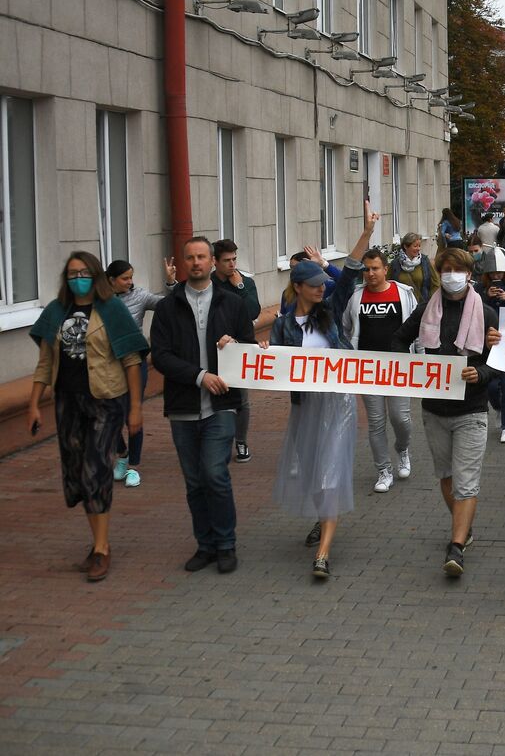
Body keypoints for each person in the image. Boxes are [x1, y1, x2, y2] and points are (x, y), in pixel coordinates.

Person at [267, 203, 376, 579]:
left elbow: (348, 276)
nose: (320, 289)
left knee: (330, 471)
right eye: (313, 285)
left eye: (321, 284)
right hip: (306, 406)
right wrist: (250, 352)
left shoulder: (331, 306)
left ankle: (323, 553)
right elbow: (274, 364)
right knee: (314, 470)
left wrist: (366, 233)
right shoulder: (282, 325)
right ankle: (321, 517)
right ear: (297, 287)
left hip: (338, 404)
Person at [27, 251, 148, 583]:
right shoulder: (56, 311)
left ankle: (101, 548)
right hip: (68, 402)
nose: (76, 278)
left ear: (95, 275)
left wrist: (135, 408)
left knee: (97, 470)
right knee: (78, 473)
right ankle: (98, 541)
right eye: (71, 273)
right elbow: (45, 364)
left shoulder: (112, 310)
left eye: (83, 272)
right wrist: (34, 404)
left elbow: (132, 361)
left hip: (105, 402)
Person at [150, 237, 255, 575]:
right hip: (183, 406)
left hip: (221, 405)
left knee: (215, 474)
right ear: (184, 263)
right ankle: (205, 545)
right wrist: (199, 376)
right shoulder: (168, 306)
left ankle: (226, 545)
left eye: (201, 257)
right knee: (194, 481)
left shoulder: (231, 303)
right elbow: (161, 356)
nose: (196, 263)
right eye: (190, 257)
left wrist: (235, 345)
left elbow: (249, 348)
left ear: (212, 261)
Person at [394, 247, 497, 579]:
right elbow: (399, 341)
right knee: (447, 477)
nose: (452, 274)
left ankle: (456, 547)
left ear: (469, 274)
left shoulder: (488, 313)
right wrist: (414, 368)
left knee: (466, 483)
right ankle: (464, 527)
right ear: (440, 272)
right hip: (434, 410)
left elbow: (501, 362)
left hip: (472, 409)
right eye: (446, 268)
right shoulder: (427, 310)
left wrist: (480, 373)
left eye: (458, 268)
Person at [342, 247, 417, 493]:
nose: (370, 273)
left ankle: (402, 448)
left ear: (386, 269)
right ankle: (383, 470)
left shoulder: (404, 294)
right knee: (376, 423)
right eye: (366, 269)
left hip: (398, 367)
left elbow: (418, 328)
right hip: (368, 368)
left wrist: (421, 359)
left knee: (401, 419)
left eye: (375, 268)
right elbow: (346, 328)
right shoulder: (356, 297)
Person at [105, 256, 177, 487]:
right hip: (108, 365)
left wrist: (170, 282)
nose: (129, 282)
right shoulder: (100, 301)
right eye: (125, 278)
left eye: (131, 277)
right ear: (111, 280)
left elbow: (168, 306)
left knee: (132, 412)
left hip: (135, 362)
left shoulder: (140, 295)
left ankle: (133, 467)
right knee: (108, 414)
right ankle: (122, 454)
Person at [211, 238, 261, 464]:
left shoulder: (245, 282)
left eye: (234, 259)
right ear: (215, 262)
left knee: (241, 399)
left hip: (239, 346)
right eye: (227, 261)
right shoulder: (208, 283)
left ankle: (241, 441)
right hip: (213, 347)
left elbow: (252, 311)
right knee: (214, 396)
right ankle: (216, 442)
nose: (232, 265)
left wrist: (240, 286)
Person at [478, 248, 505, 443]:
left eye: (500, 273)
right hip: (489, 345)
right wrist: (486, 296)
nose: (496, 277)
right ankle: (499, 408)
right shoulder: (478, 289)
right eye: (492, 273)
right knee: (492, 387)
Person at [282, 246, 343, 314]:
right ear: (297, 287)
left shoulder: (326, 286)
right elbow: (284, 317)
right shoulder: (287, 293)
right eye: (291, 267)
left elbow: (346, 281)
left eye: (296, 267)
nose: (293, 271)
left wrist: (324, 264)